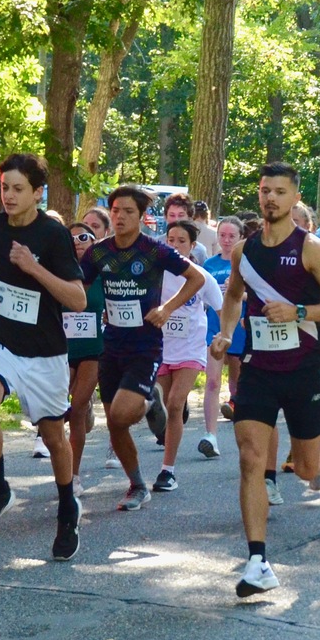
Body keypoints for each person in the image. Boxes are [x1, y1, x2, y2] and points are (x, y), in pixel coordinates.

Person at [212, 163, 320, 595]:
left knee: (307, 471)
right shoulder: (245, 250)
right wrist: (224, 332)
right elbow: (234, 296)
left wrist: (298, 313)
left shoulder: (311, 248)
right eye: (263, 191)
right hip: (257, 367)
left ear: (295, 199)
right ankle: (258, 561)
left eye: (278, 192)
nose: (269, 198)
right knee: (251, 458)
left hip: (301, 368)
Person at [0, 153, 87, 560]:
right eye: (4, 187)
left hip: (46, 352)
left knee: (54, 438)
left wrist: (34, 268)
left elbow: (77, 298)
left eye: (19, 189)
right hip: (3, 342)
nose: (9, 196)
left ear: (38, 192)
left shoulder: (53, 235)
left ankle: (67, 504)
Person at [80, 186, 207, 511]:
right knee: (114, 422)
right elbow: (78, 287)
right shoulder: (99, 252)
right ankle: (137, 485)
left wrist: (167, 308)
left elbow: (196, 278)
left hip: (145, 346)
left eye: (128, 212)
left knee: (123, 413)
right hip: (112, 344)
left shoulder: (154, 250)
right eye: (116, 210)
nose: (120, 216)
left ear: (141, 217)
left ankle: (150, 400)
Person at [150, 219, 225, 493]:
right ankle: (154, 407)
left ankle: (167, 470)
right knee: (167, 409)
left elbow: (222, 308)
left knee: (175, 402)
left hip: (191, 348)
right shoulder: (156, 273)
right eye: (171, 240)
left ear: (193, 245)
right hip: (161, 347)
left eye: (182, 241)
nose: (175, 245)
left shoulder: (201, 276)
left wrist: (223, 334)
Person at [62, 221, 103, 492]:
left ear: (93, 243)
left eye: (84, 237)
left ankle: (73, 475)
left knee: (76, 409)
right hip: (62, 351)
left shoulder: (105, 275)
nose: (77, 241)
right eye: (72, 237)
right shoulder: (58, 274)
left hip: (94, 349)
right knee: (55, 410)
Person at [199, 216, 245, 455]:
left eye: (231, 236)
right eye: (222, 236)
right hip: (214, 328)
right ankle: (211, 435)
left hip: (240, 328)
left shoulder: (245, 264)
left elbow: (254, 294)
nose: (226, 241)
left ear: (240, 238)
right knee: (213, 381)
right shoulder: (209, 264)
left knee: (237, 380)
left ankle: (242, 430)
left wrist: (239, 293)